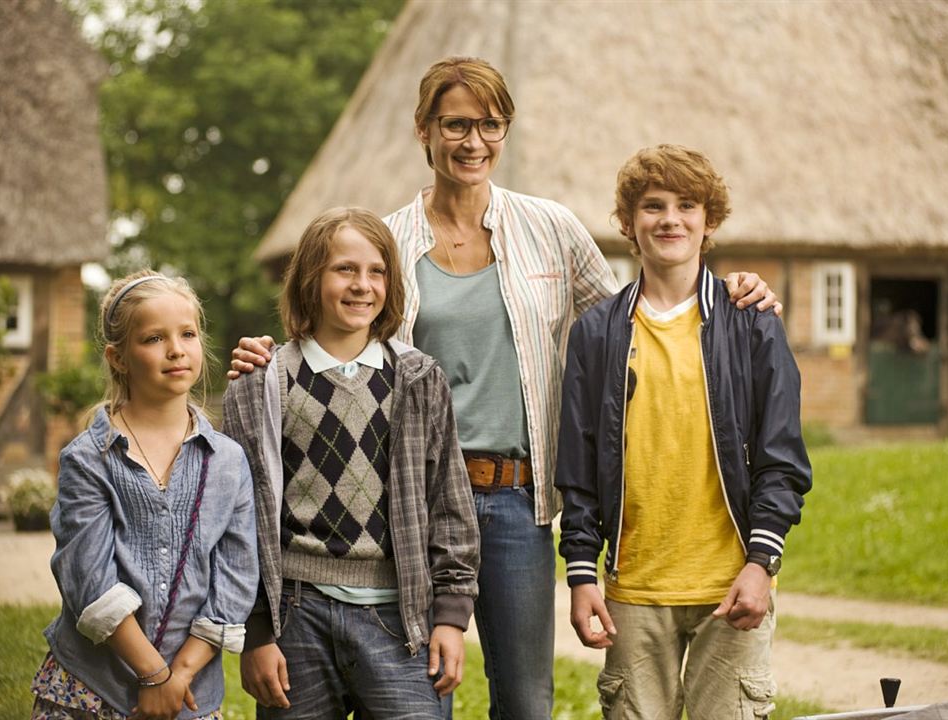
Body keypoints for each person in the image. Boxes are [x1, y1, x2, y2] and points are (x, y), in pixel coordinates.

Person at [229, 56, 780, 719]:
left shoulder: (549, 229)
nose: (473, 142)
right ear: (423, 130)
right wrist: (270, 352)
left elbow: (630, 326)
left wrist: (728, 292)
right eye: (456, 125)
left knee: (524, 702)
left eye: (489, 125)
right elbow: (338, 325)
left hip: (515, 499)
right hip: (410, 506)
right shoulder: (391, 239)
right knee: (423, 692)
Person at [555, 144, 812, 720]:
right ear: (628, 223)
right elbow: (578, 462)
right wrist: (580, 572)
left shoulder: (750, 321)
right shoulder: (596, 334)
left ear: (709, 221)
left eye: (686, 205)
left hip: (731, 584)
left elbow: (782, 456)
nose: (670, 218)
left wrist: (761, 563)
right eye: (653, 206)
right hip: (633, 592)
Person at [222, 207, 479, 719]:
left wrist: (450, 616)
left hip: (397, 616)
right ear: (310, 279)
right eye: (345, 269)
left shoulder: (418, 379)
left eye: (376, 271)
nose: (363, 285)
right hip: (297, 615)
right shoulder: (263, 382)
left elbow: (449, 503)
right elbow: (237, 520)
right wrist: (256, 634)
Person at [32, 270, 259, 720]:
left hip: (189, 692)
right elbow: (89, 579)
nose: (176, 349)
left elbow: (235, 578)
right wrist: (152, 674)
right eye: (154, 338)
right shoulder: (88, 459)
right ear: (118, 357)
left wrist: (177, 678)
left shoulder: (229, 461)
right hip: (91, 686)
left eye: (188, 334)